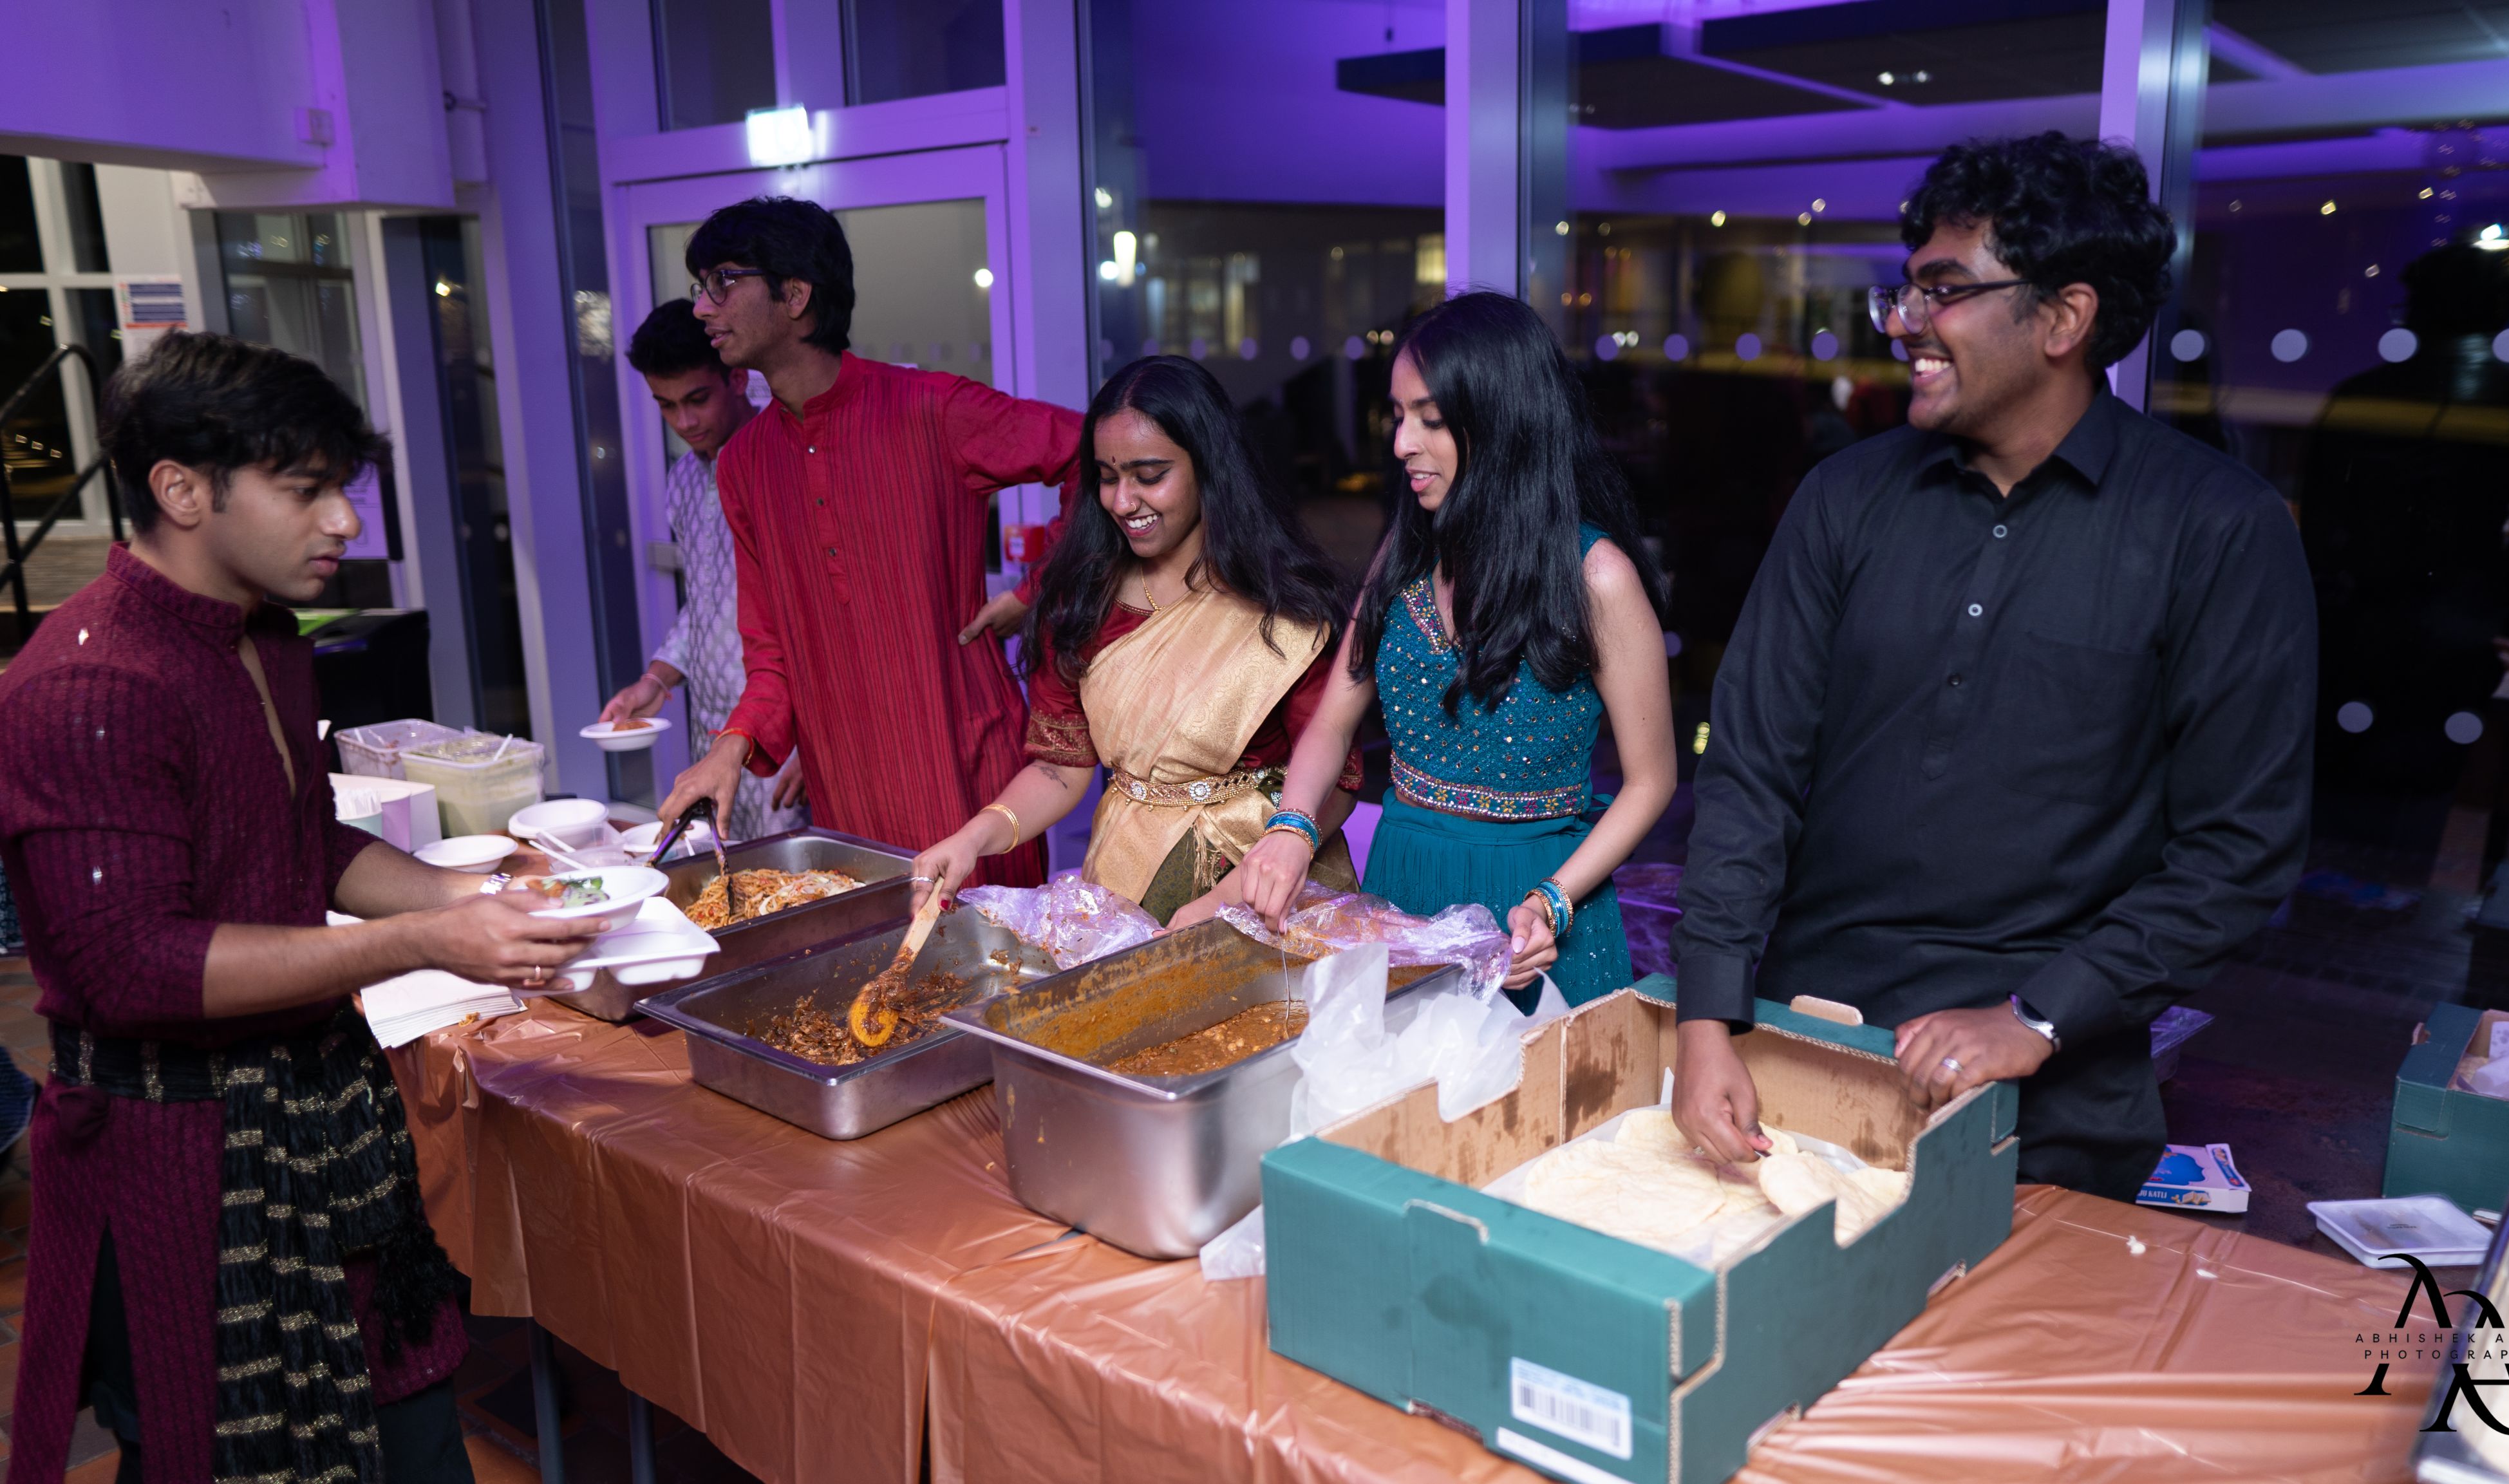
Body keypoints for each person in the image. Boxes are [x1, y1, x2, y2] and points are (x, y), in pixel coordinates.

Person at [0, 332, 621, 1484]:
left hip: (316, 1122)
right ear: (183, 490)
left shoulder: (266, 636)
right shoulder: (91, 684)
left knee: (411, 1437)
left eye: (344, 487)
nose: (344, 523)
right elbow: (137, 968)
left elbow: (300, 838)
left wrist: (474, 894)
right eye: (306, 490)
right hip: (185, 1165)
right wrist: (427, 939)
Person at [1668, 133, 2316, 1199]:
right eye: (1906, 291)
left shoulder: (2216, 528)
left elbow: (2240, 848)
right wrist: (1707, 1016)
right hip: (1802, 1044)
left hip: (2052, 1099)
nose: (1903, 323)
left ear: (2064, 318)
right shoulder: (1843, 498)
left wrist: (2038, 1017)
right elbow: (1752, 772)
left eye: (1945, 291)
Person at [1231, 292, 1675, 1003]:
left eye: (1430, 419)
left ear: (1501, 421)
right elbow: (1333, 723)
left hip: (1534, 909)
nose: (1401, 443)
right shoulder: (1403, 555)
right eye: (1398, 416)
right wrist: (1292, 825)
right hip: (1404, 888)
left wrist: (1553, 901)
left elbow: (1651, 781)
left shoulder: (1596, 578)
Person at [657, 197, 1082, 886]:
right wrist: (729, 748)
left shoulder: (932, 409)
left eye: (723, 282)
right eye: (701, 286)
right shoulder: (745, 464)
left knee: (991, 948)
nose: (703, 307)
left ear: (795, 296)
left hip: (964, 766)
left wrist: (1039, 589)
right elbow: (771, 654)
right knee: (877, 947)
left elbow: (1094, 455)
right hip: (847, 783)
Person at [911, 357, 1360, 924]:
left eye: (1149, 476)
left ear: (1208, 467)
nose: (1122, 501)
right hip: (1127, 880)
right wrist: (973, 839)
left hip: (1267, 889)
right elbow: (1060, 769)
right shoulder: (1082, 599)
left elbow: (1338, 781)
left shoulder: (1282, 603)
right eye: (1107, 476)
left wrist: (1224, 903)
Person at [2298, 245, 2509, 803]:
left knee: (2338, 787)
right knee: (2421, 789)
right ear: (2499, 310)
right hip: (2458, 624)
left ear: (2418, 308)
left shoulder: (2359, 394)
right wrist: (2486, 598)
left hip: (2360, 621)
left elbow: (2321, 525)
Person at [598, 299, 808, 841]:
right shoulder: (685, 480)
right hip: (713, 727)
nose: (684, 422)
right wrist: (655, 680)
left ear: (736, 378)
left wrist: (819, 743)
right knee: (722, 870)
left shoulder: (788, 463)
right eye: (666, 406)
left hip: (788, 735)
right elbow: (708, 602)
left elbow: (829, 616)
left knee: (795, 880)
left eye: (697, 399)